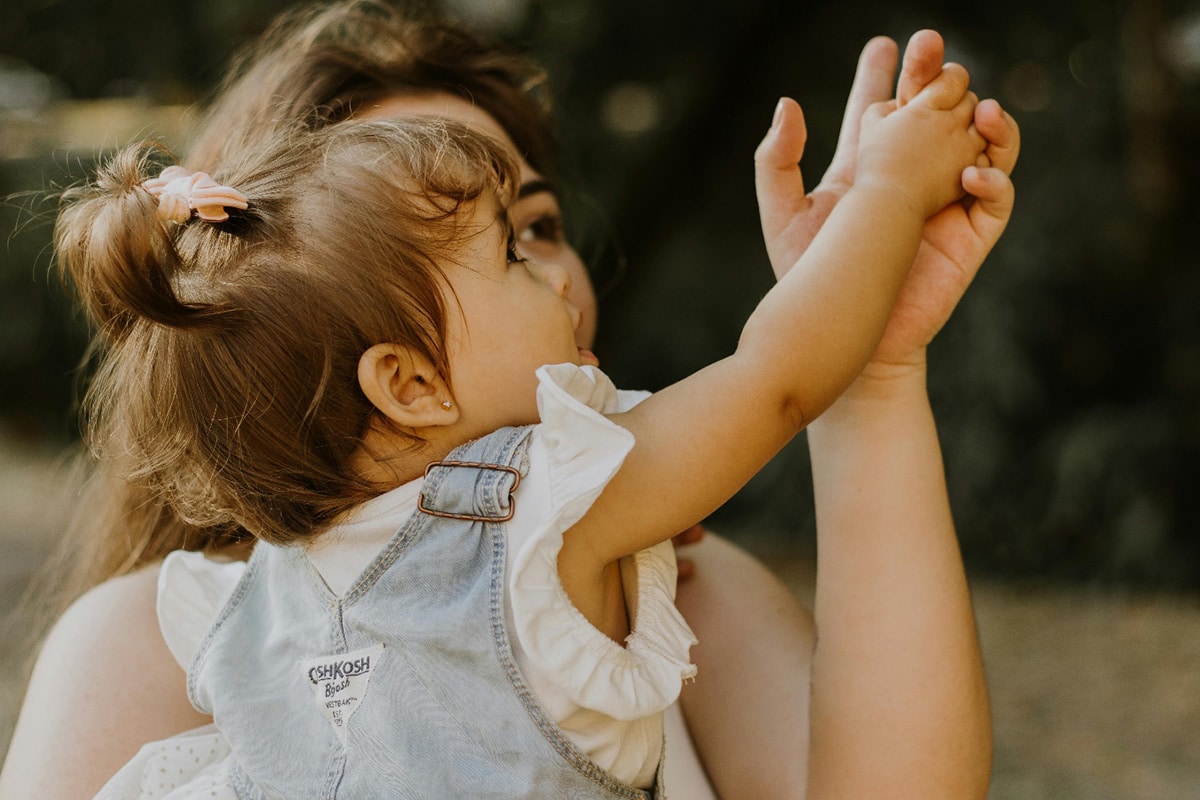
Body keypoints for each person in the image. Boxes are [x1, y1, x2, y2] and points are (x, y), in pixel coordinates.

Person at [0, 3, 1019, 798]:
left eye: (540, 224)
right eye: (503, 250)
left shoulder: (254, 625)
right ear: (404, 379)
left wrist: (874, 364)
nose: (558, 275)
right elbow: (776, 375)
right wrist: (883, 208)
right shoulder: (163, 632)